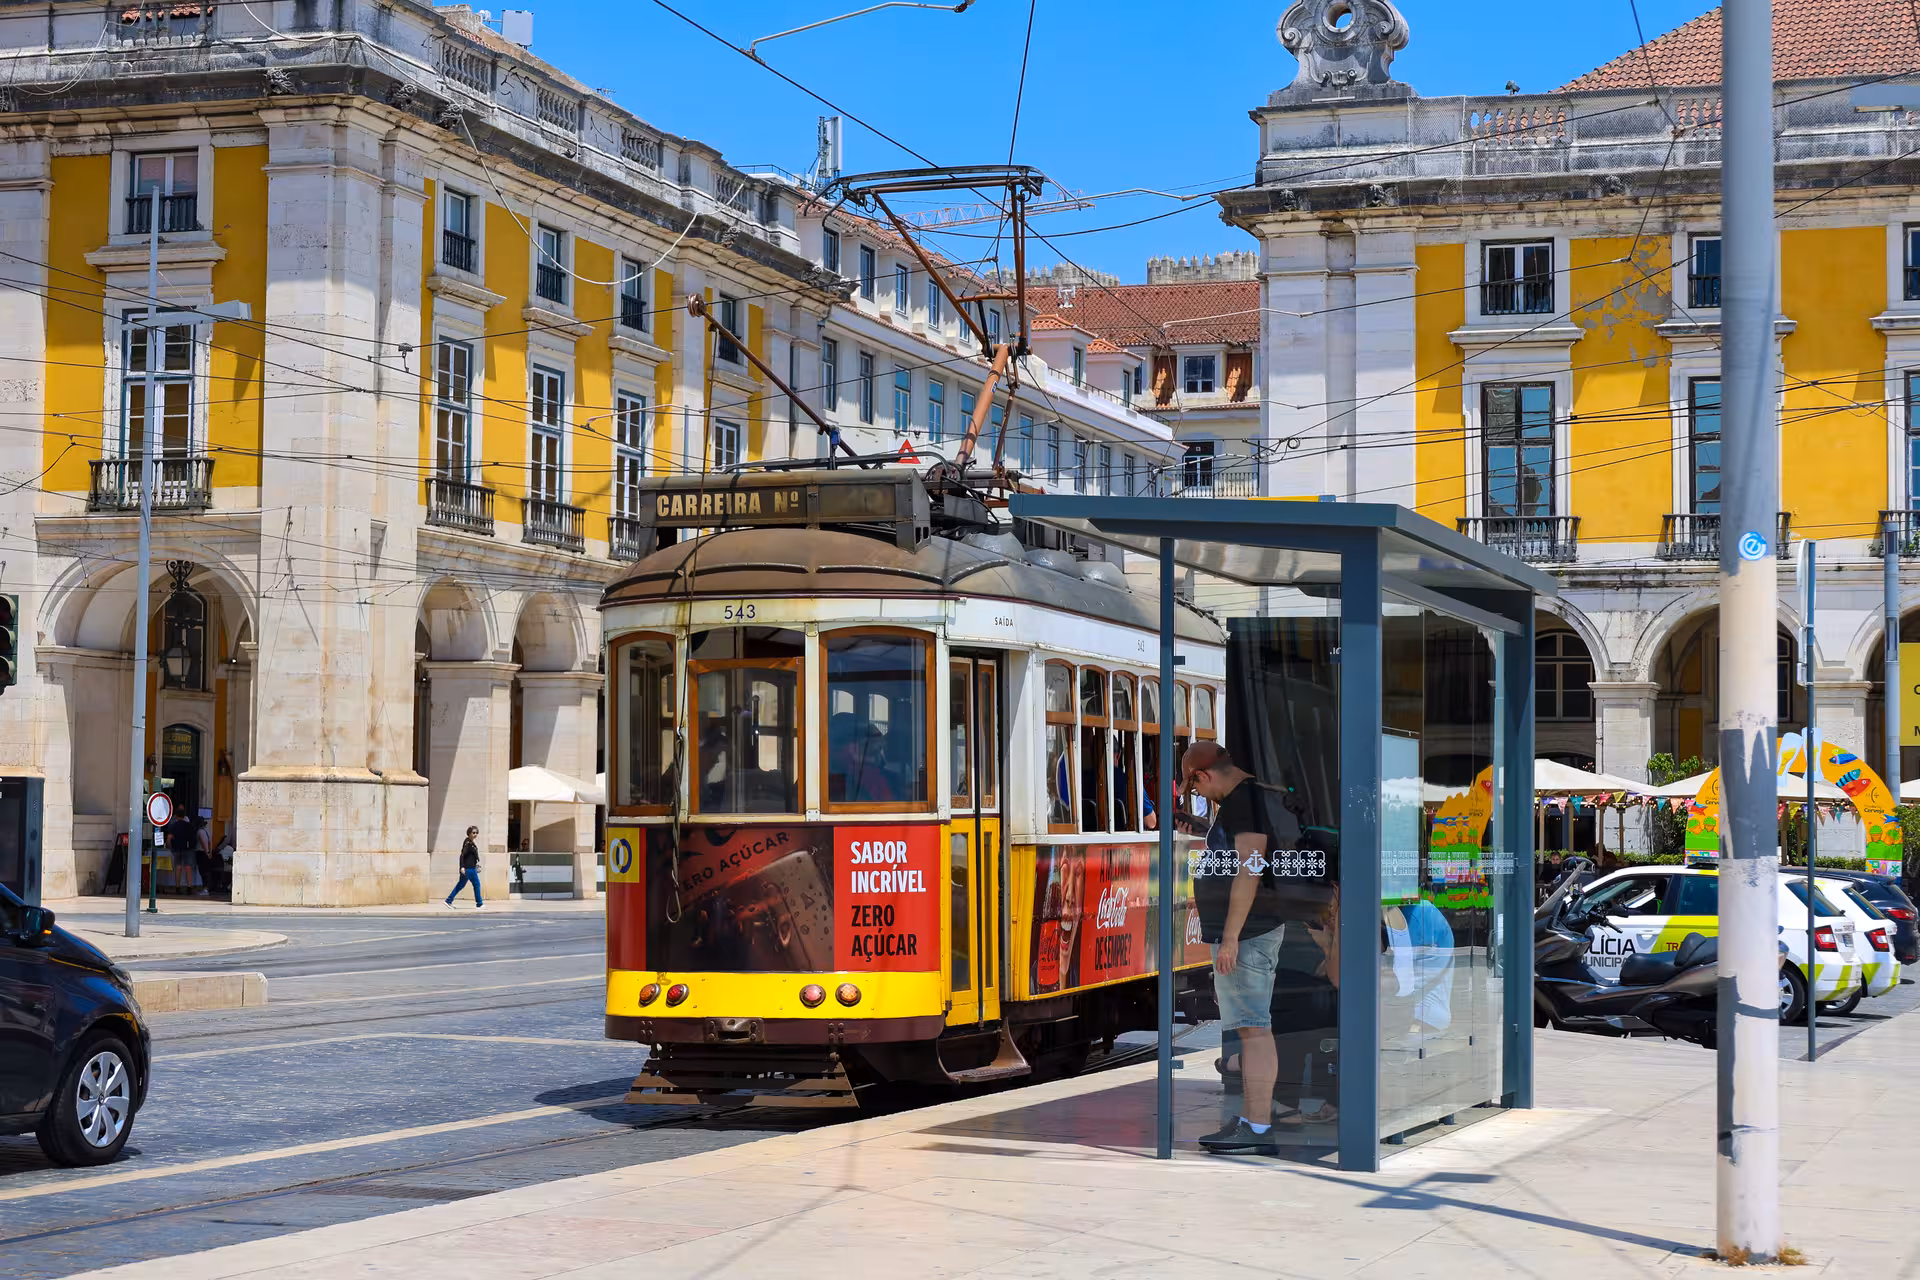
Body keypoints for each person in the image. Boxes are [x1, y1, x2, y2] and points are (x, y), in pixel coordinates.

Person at [1184, 740, 1294, 1155]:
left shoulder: (1243, 802)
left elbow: (1250, 869)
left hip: (1248, 936)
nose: (1200, 796)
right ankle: (1252, 1119)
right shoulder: (1246, 799)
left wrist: (1230, 935)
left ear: (1204, 775)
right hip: (1248, 934)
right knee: (1251, 1028)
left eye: (1196, 789)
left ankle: (1259, 1128)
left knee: (1254, 1028)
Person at [445, 826, 483, 908]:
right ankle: (479, 904)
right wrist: (462, 867)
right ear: (469, 833)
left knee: (460, 885)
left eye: (476, 833)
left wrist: (475, 864)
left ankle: (448, 900)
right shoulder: (468, 843)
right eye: (473, 832)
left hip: (470, 868)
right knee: (477, 884)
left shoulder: (470, 843)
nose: (475, 834)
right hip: (469, 869)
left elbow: (470, 857)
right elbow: (462, 855)